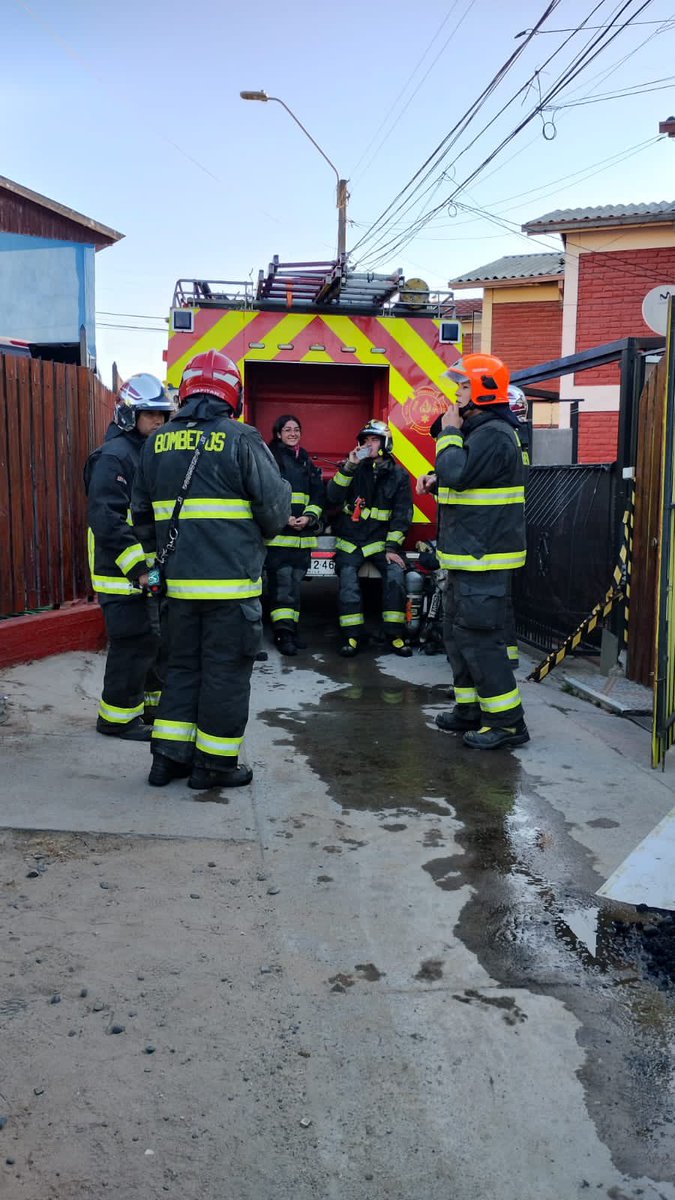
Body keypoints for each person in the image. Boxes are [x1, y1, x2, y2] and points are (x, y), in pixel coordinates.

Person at [131, 349, 291, 790]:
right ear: (230, 392)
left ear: (185, 391)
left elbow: (141, 518)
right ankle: (214, 767)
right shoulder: (242, 439)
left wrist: (156, 569)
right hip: (231, 594)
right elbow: (276, 515)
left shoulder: (155, 444)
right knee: (224, 675)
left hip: (177, 592)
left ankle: (167, 760)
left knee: (181, 670)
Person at [431, 354, 529, 749]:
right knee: (458, 635)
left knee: (479, 639)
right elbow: (466, 479)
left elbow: (458, 471)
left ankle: (507, 723)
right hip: (469, 556)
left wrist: (448, 433)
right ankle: (470, 710)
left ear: (484, 390)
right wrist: (435, 479)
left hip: (483, 558)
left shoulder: (490, 432)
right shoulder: (484, 432)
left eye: (464, 385)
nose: (457, 392)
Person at [84, 374, 174, 742]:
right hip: (120, 573)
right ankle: (117, 718)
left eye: (162, 415)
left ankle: (148, 707)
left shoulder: (140, 451)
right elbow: (107, 518)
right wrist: (139, 569)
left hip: (139, 571)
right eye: (150, 415)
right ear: (128, 413)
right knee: (133, 641)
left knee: (151, 640)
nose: (159, 421)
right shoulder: (115, 456)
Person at [326, 418, 413, 658]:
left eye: (374, 440)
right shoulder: (353, 468)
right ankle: (352, 636)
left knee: (395, 575)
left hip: (379, 542)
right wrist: (349, 467)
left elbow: (402, 515)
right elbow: (332, 497)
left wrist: (392, 547)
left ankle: (395, 635)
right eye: (365, 440)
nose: (368, 445)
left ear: (386, 443)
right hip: (351, 540)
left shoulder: (399, 476)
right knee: (348, 580)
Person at [266, 413, 324, 656]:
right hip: (279, 538)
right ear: (278, 434)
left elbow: (317, 494)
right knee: (282, 587)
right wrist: (284, 517)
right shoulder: (271, 459)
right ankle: (282, 634)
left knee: (295, 588)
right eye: (287, 429)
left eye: (296, 429)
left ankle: (292, 629)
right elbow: (265, 493)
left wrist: (309, 517)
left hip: (302, 538)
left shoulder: (305, 460)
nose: (292, 433)